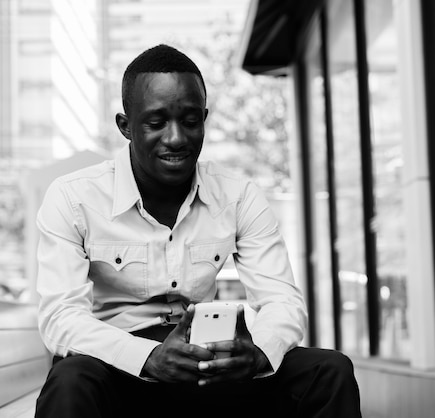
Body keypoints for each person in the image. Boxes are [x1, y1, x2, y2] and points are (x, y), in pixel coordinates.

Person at [34, 44, 361, 418]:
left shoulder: (238, 196)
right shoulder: (73, 198)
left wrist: (257, 354)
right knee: (70, 378)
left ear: (204, 118)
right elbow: (60, 318)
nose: (176, 138)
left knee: (328, 370)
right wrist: (149, 357)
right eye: (156, 123)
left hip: (209, 367)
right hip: (121, 370)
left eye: (190, 121)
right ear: (126, 126)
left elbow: (282, 302)